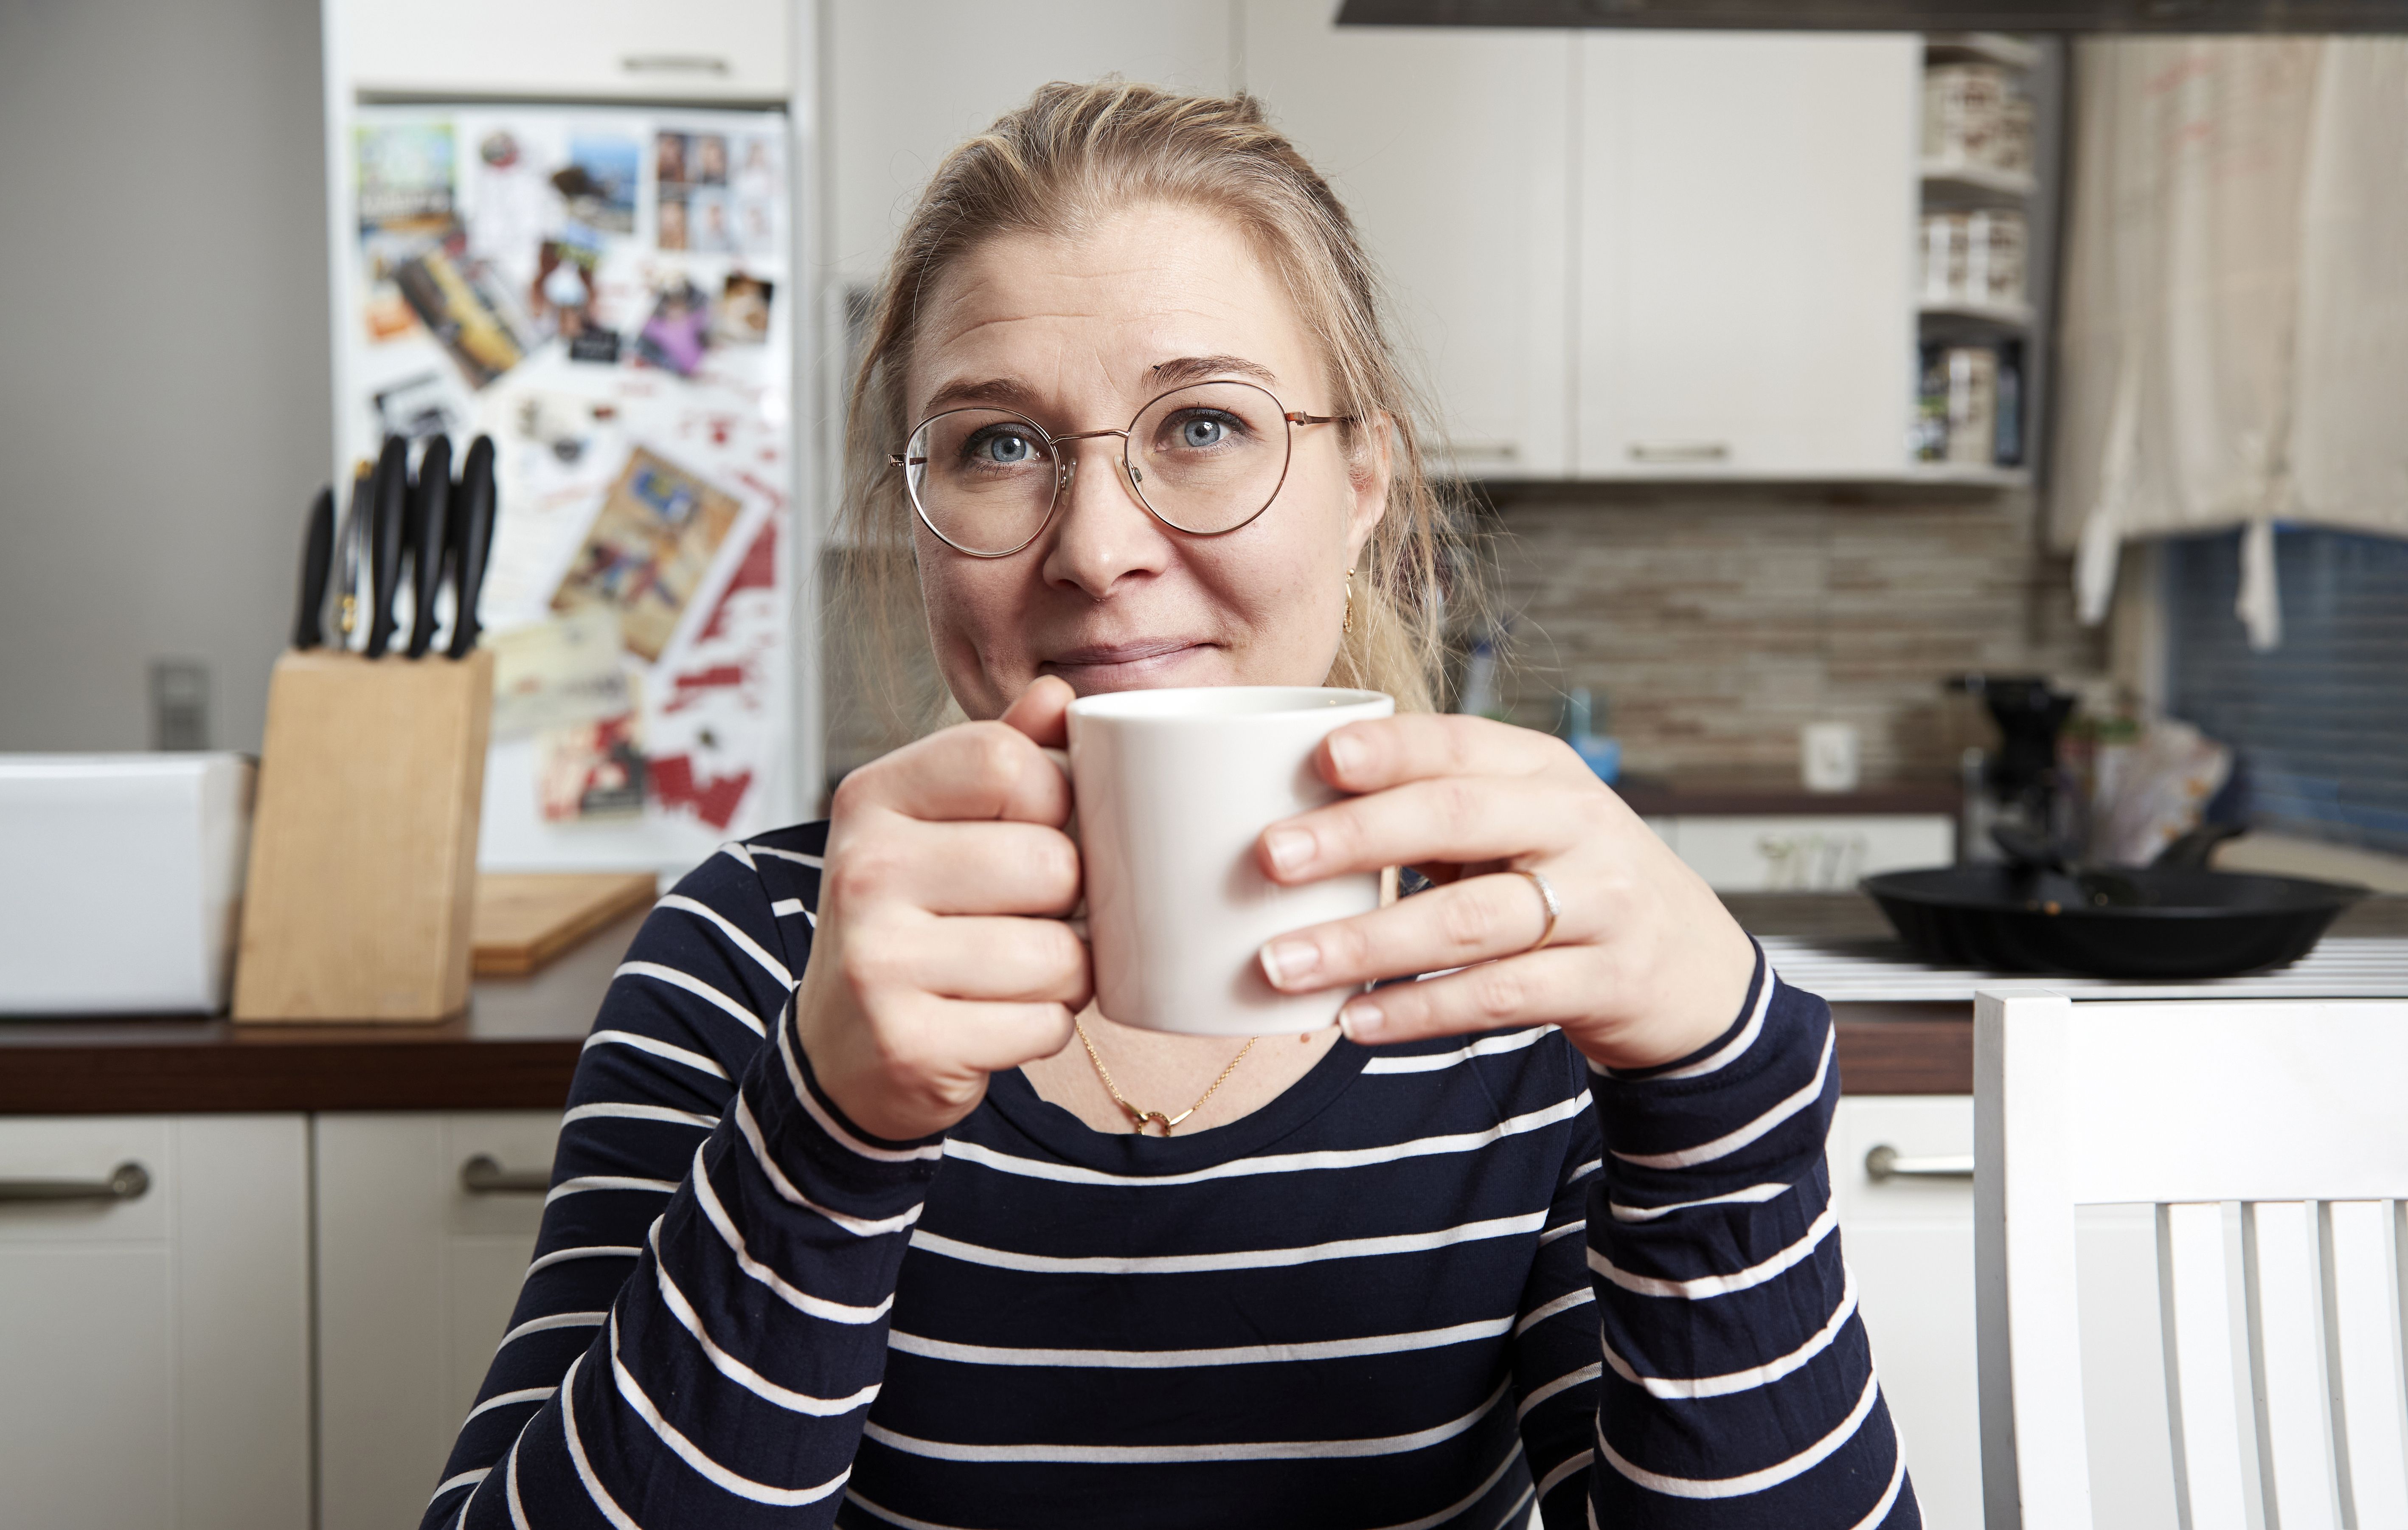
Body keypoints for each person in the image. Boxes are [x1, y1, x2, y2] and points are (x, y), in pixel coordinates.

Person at [424, 82, 1918, 1530]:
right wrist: (823, 1133)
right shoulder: (757, 957)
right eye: (998, 444)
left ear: (1362, 483)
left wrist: (1726, 1097)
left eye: (1202, 424)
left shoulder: (1522, 981)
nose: (1096, 546)